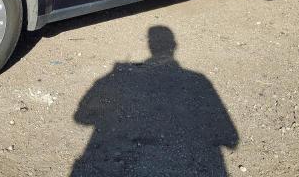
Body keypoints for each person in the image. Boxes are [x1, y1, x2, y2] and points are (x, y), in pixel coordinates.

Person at [72, 26, 238, 176]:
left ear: (150, 45)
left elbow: (81, 118)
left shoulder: (115, 77)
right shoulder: (199, 80)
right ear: (174, 46)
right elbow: (231, 138)